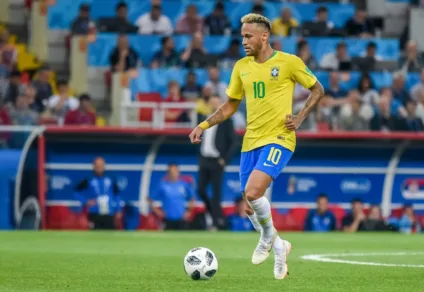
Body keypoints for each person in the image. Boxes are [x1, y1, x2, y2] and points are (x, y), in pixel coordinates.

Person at [189, 13, 324, 280]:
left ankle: (266, 238)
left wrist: (299, 117)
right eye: (242, 36)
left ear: (265, 36)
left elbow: (317, 88)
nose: (244, 41)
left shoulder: (289, 62)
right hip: (250, 141)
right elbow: (230, 105)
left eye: (249, 36)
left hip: (279, 138)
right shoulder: (241, 67)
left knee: (252, 192)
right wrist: (204, 125)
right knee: (250, 206)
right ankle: (279, 248)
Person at [198, 96, 236, 230]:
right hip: (204, 159)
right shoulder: (203, 119)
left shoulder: (226, 121)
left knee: (216, 193)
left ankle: (215, 222)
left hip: (217, 161)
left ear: (220, 104)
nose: (214, 105)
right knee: (200, 190)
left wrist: (225, 159)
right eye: (212, 102)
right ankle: (215, 214)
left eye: (216, 102)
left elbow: (233, 141)